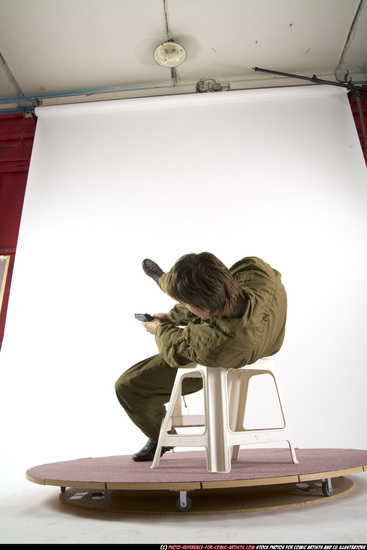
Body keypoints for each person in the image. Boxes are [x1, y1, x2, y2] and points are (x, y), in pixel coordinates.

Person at [115, 253, 287, 462]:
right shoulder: (257, 271)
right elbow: (216, 295)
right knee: (197, 285)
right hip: (268, 339)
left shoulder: (213, 345)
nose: (186, 306)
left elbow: (175, 348)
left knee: (127, 386)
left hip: (229, 352)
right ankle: (164, 280)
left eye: (186, 304)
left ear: (202, 308)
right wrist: (173, 316)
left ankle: (161, 435)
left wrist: (159, 328)